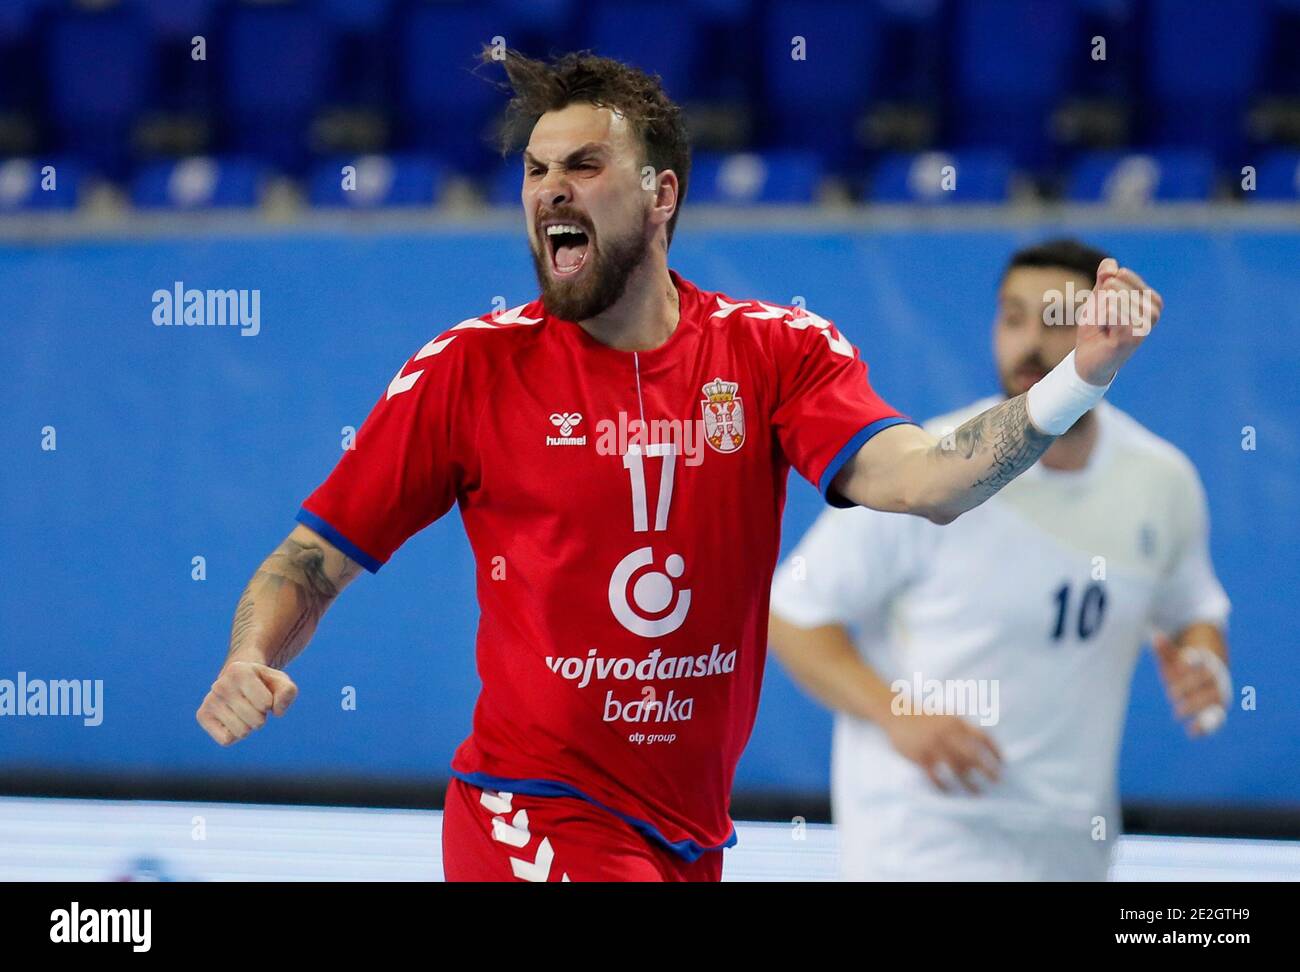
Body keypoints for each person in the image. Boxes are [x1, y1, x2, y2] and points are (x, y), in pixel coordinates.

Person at [195, 52, 1162, 882]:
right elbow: (309, 562)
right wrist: (251, 654)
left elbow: (931, 481)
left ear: (662, 194)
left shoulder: (775, 352)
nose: (550, 191)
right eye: (535, 171)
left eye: (583, 164)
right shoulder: (470, 369)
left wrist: (1079, 377)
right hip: (531, 810)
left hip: (686, 834)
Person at [769, 239, 1227, 881]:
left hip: (1071, 844)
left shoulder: (1160, 481)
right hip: (922, 838)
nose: (1029, 344)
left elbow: (1193, 609)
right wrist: (898, 714)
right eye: (1013, 319)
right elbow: (793, 614)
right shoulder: (934, 469)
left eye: (1056, 319)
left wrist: (1203, 659)